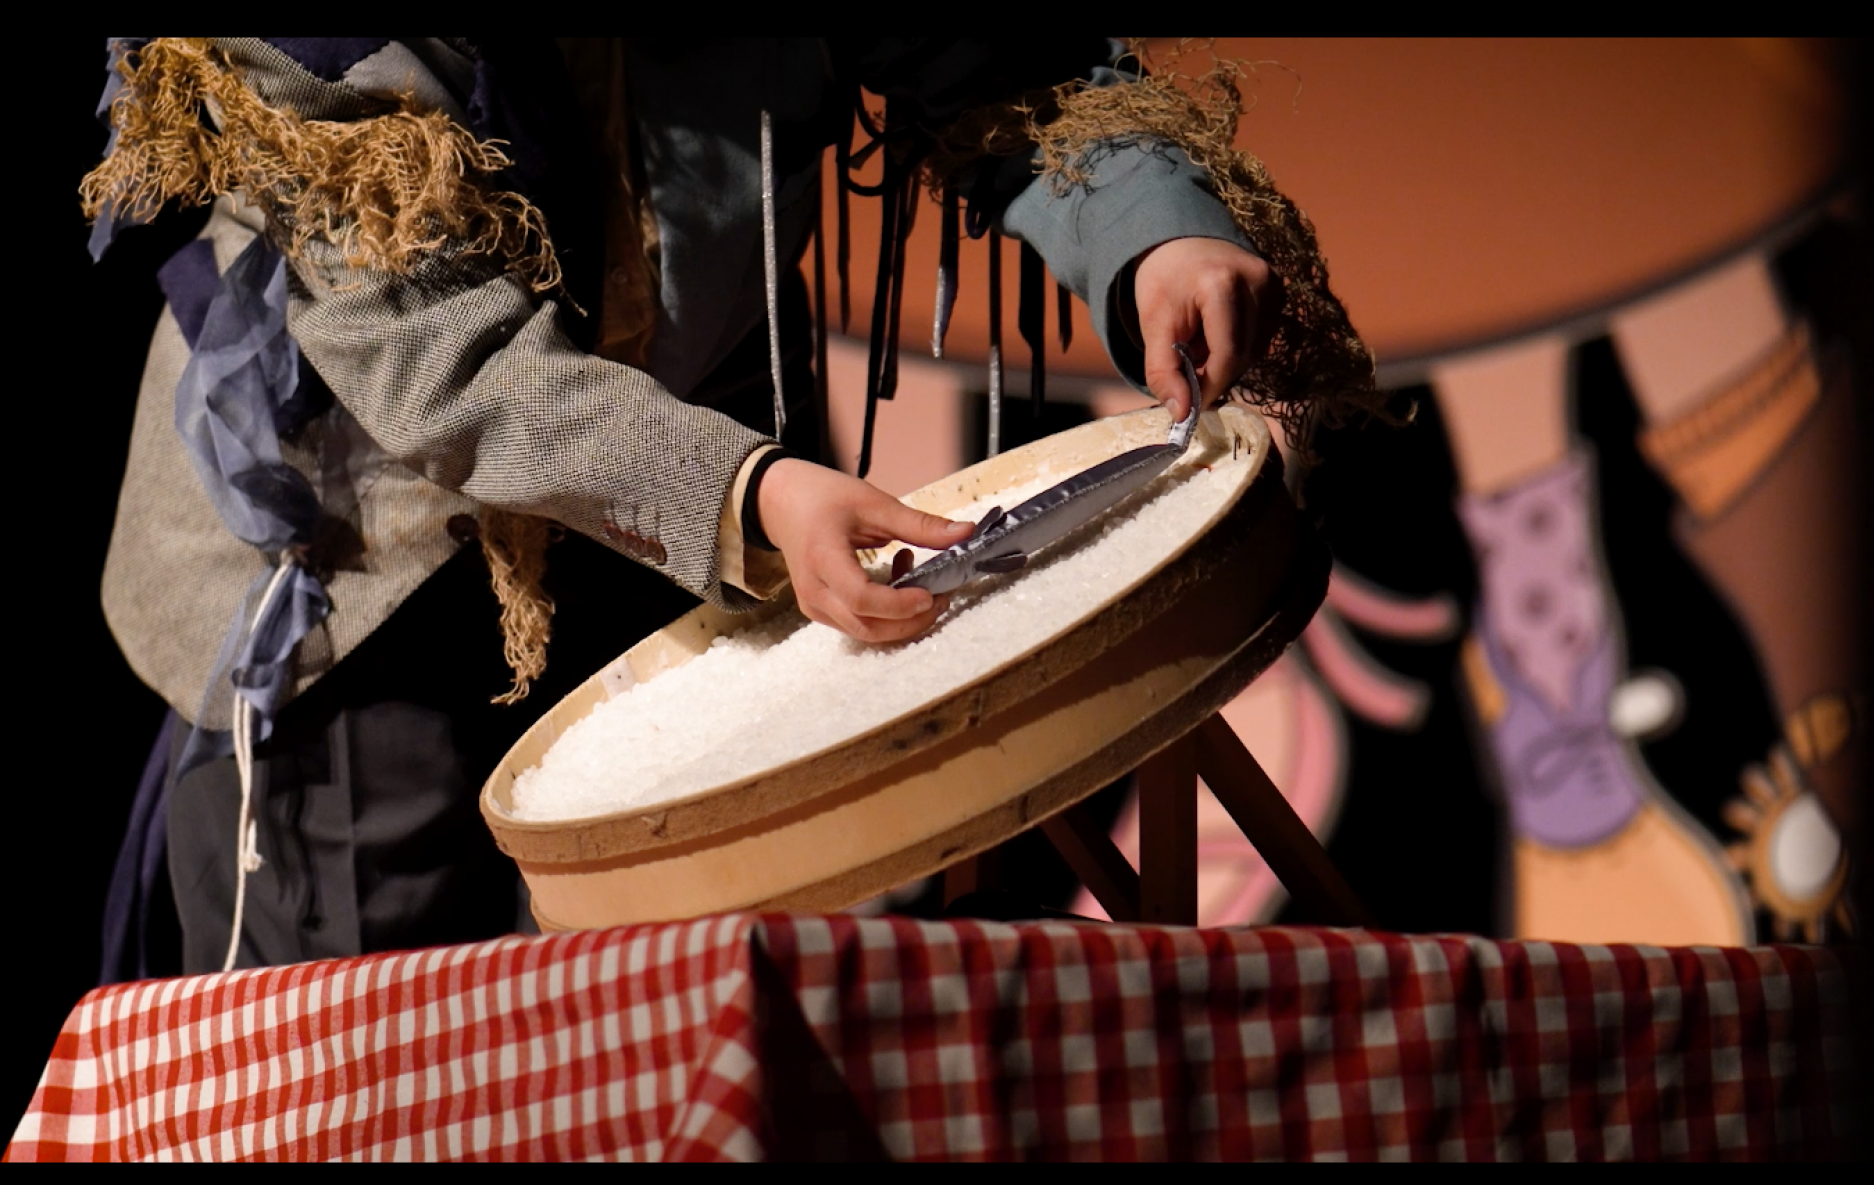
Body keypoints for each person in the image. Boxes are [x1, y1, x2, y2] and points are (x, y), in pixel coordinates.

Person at [86, 37, 1372, 974]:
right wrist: (745, 493)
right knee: (373, 1049)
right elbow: (441, 357)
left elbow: (1012, 71)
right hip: (366, 563)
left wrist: (1154, 230)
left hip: (706, 501)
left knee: (692, 997)